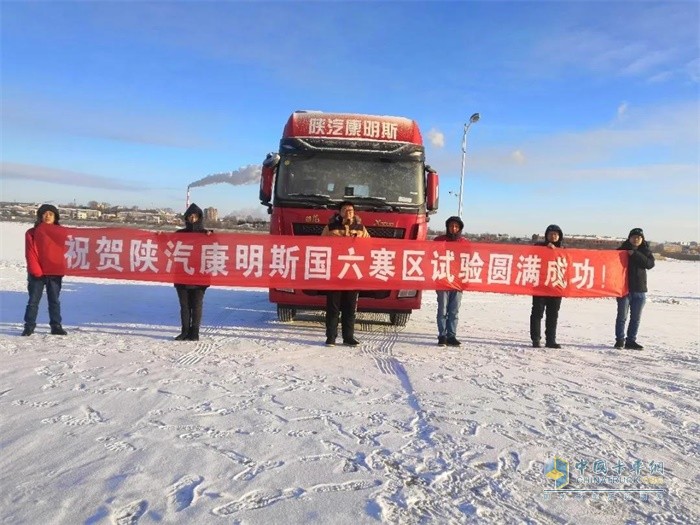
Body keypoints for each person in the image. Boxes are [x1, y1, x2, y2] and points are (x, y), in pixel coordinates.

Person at [321, 201, 369, 347]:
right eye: (345, 209)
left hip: (352, 273)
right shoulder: (330, 228)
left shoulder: (360, 228)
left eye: (351, 209)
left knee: (350, 308)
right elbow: (320, 246)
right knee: (333, 307)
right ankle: (331, 337)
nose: (349, 211)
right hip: (335, 272)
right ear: (339, 212)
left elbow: (369, 246)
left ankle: (348, 337)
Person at [22, 204, 67, 336]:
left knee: (54, 300)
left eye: (51, 214)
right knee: (33, 301)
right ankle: (29, 326)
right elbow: (30, 253)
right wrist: (36, 271)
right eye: (45, 213)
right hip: (37, 273)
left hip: (54, 273)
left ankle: (56, 325)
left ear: (55, 217)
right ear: (40, 216)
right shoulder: (32, 233)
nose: (47, 216)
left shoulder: (62, 232)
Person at [173, 203, 212, 341]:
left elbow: (217, 250)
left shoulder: (207, 234)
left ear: (200, 218)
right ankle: (184, 331)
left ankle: (194, 332)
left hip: (200, 276)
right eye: (190, 216)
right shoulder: (180, 234)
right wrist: (160, 237)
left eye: (195, 217)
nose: (192, 219)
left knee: (196, 305)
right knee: (184, 306)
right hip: (182, 275)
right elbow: (167, 247)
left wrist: (211, 236)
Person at [615, 227, 655, 350]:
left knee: (636, 318)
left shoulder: (645, 251)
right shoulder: (621, 250)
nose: (636, 239)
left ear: (642, 239)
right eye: (634, 237)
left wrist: (634, 253)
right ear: (629, 238)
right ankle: (620, 340)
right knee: (622, 317)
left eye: (639, 237)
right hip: (624, 289)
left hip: (640, 290)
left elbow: (649, 264)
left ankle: (631, 341)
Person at [434, 216, 468, 347]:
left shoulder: (465, 243)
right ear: (447, 227)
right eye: (451, 226)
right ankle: (442, 336)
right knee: (442, 310)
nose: (453, 229)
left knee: (454, 311)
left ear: (459, 228)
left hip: (458, 282)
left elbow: (469, 262)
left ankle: (451, 336)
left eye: (456, 227)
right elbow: (430, 256)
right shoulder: (439, 240)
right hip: (442, 280)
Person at [530, 224, 564, 348]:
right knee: (537, 313)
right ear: (546, 236)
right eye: (550, 234)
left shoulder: (564, 250)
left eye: (556, 234)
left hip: (556, 287)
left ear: (559, 236)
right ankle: (536, 339)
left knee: (553, 314)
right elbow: (531, 256)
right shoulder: (539, 247)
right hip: (540, 286)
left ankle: (551, 340)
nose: (553, 236)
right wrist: (545, 249)